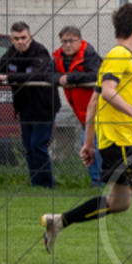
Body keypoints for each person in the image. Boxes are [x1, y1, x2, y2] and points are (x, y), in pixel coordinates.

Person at [41, 3, 132, 264]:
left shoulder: (113, 56)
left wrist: (88, 143)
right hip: (119, 142)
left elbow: (95, 101)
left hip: (113, 142)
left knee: (118, 203)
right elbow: (107, 91)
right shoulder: (119, 55)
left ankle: (58, 222)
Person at [0, 22, 61, 188]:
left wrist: (8, 78)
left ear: (30, 37)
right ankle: (36, 183)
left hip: (44, 106)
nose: (20, 42)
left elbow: (37, 75)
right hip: (24, 107)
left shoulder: (40, 52)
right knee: (28, 147)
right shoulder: (11, 53)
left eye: (23, 38)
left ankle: (48, 185)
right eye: (16, 38)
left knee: (38, 145)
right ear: (12, 39)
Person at [50, 25, 103, 187]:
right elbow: (46, 73)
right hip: (81, 112)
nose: (67, 45)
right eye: (64, 41)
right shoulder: (59, 57)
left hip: (98, 109)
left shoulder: (89, 55)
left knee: (90, 144)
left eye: (71, 41)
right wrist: (59, 78)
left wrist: (71, 78)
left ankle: (99, 181)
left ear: (80, 41)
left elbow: (97, 75)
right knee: (92, 145)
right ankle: (102, 181)